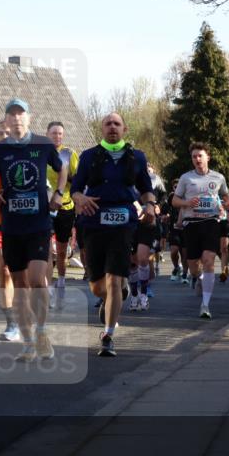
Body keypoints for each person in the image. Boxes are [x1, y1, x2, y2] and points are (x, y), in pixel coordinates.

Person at [0, 99, 65, 361]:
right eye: (11, 114)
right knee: (20, 285)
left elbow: (62, 170)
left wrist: (59, 194)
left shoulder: (43, 144)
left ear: (29, 117)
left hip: (38, 224)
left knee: (38, 280)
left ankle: (42, 333)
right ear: (6, 120)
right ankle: (28, 342)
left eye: (21, 113)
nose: (16, 118)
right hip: (11, 226)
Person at [71, 112, 156, 356]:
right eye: (108, 124)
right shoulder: (89, 156)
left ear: (124, 129)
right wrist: (80, 197)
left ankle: (108, 334)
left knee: (114, 279)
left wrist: (150, 205)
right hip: (94, 223)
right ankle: (113, 296)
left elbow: (147, 190)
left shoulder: (137, 157)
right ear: (102, 128)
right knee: (98, 287)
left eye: (116, 124)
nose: (112, 127)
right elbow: (75, 190)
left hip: (123, 223)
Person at [171, 143, 229, 319]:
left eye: (200, 156)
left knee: (209, 260)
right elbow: (175, 200)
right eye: (194, 157)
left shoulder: (218, 177)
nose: (197, 159)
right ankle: (197, 278)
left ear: (207, 157)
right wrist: (187, 203)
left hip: (211, 222)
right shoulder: (186, 178)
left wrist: (226, 204)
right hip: (191, 223)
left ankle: (205, 305)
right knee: (193, 265)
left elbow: (227, 196)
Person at [0, 120, 19, 341]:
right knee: (4, 270)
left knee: (21, 274)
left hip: (23, 224)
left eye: (7, 133)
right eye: (0, 133)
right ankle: (11, 322)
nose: (4, 136)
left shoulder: (23, 158)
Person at [46, 121, 79, 308]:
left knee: (60, 250)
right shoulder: (42, 153)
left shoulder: (69, 154)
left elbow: (79, 178)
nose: (57, 136)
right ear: (47, 134)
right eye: (53, 133)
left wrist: (65, 177)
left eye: (59, 134)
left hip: (65, 206)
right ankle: (48, 287)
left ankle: (62, 282)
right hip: (45, 206)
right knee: (46, 249)